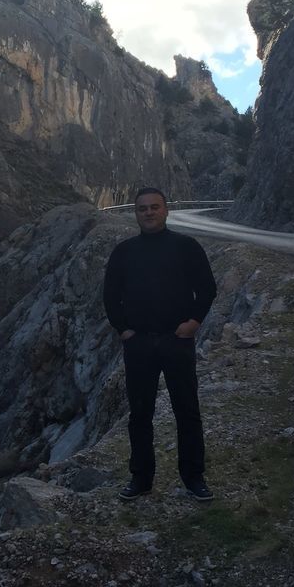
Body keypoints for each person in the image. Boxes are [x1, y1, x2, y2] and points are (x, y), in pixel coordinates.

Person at [102, 187, 217, 502]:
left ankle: (194, 478)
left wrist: (193, 323)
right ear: (136, 213)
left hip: (177, 342)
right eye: (143, 208)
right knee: (140, 414)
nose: (149, 212)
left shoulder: (186, 247)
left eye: (154, 207)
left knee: (187, 412)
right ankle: (141, 478)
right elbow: (110, 295)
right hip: (139, 344)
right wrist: (124, 330)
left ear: (166, 211)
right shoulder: (123, 252)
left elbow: (207, 288)